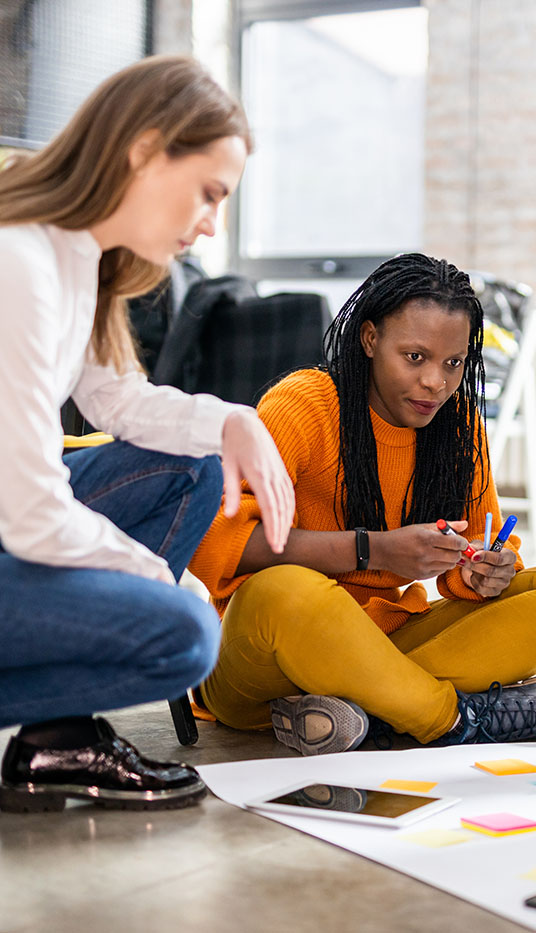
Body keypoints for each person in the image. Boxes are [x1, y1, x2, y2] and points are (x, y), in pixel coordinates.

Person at [0, 56, 294, 813]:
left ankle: (57, 735)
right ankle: (57, 724)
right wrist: (157, 577)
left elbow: (119, 402)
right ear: (144, 147)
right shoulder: (19, 261)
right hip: (13, 524)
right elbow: (31, 515)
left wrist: (235, 420)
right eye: (209, 193)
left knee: (192, 464)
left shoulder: (76, 257)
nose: (213, 223)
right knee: (186, 633)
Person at [189, 253, 536, 755]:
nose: (437, 382)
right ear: (370, 340)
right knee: (284, 591)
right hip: (263, 663)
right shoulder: (302, 404)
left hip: (386, 641)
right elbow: (217, 544)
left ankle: (367, 711)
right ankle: (450, 718)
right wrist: (373, 552)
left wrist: (484, 571)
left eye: (453, 363)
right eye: (415, 357)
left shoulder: (458, 427)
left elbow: (484, 542)